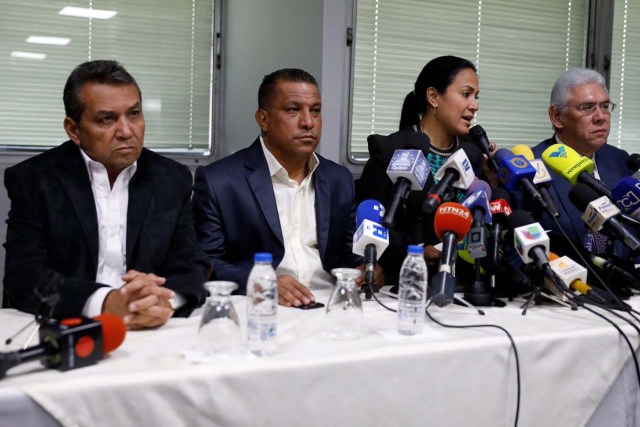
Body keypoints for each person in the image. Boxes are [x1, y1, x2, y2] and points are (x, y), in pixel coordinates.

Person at [3, 60, 209, 329]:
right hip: (66, 328)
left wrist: (165, 302)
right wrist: (107, 302)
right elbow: (24, 278)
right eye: (106, 119)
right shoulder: (34, 180)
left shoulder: (171, 178)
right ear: (74, 130)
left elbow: (191, 266)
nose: (126, 131)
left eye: (134, 114)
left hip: (153, 328)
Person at [192, 68, 381, 307]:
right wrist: (261, 281)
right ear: (263, 119)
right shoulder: (219, 180)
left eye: (315, 111)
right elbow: (206, 261)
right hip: (262, 304)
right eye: (293, 110)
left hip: (330, 303)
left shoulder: (338, 179)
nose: (308, 122)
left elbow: (348, 254)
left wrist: (365, 268)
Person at [358, 55, 489, 288]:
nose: (474, 105)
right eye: (466, 94)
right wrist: (416, 250)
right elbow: (368, 222)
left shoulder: (472, 153)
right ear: (433, 97)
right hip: (402, 281)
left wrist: (495, 181)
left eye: (476, 97)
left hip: (464, 283)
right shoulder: (391, 150)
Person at [530, 68, 633, 264]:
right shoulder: (532, 167)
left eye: (604, 106)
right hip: (565, 287)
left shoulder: (619, 160)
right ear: (557, 117)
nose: (600, 116)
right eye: (587, 107)